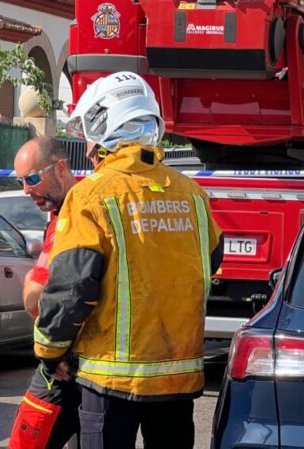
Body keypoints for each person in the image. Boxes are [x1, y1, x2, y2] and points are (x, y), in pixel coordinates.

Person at [34, 72, 223, 449]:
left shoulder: (90, 196)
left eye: (90, 136)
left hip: (110, 384)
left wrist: (48, 351)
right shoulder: (193, 195)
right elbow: (211, 260)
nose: (87, 149)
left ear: (106, 127)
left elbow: (72, 288)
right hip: (177, 382)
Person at [8, 136, 80, 449]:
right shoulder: (61, 213)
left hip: (66, 363)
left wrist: (52, 353)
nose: (26, 190)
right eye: (21, 181)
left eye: (33, 179)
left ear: (61, 168)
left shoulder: (73, 215)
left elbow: (34, 296)